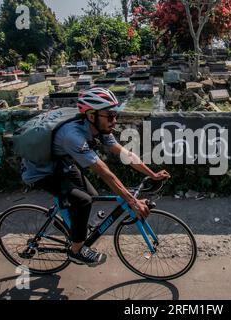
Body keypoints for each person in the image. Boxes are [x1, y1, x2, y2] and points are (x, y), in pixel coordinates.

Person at [20, 87, 171, 267]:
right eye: (109, 116)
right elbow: (104, 172)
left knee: (90, 195)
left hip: (62, 162)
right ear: (91, 116)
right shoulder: (73, 136)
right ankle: (75, 251)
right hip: (42, 171)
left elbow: (126, 155)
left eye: (115, 115)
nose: (114, 121)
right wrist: (132, 201)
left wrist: (152, 174)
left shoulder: (99, 128)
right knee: (83, 201)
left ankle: (72, 227)